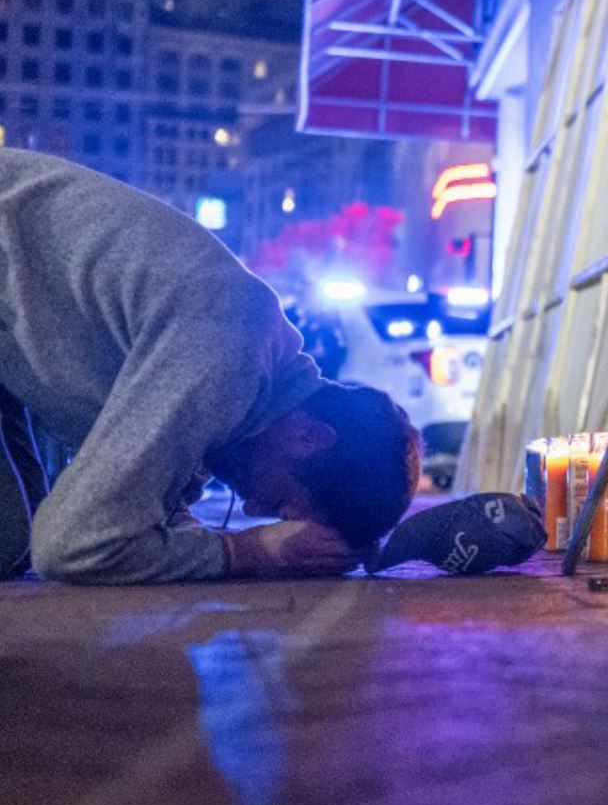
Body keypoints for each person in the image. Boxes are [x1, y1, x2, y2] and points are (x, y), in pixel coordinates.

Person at [0, 151, 420, 584]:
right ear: (307, 437)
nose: (253, 512)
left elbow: (149, 507)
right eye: (279, 503)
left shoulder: (250, 381)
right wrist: (249, 551)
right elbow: (71, 544)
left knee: (11, 541)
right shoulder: (231, 350)